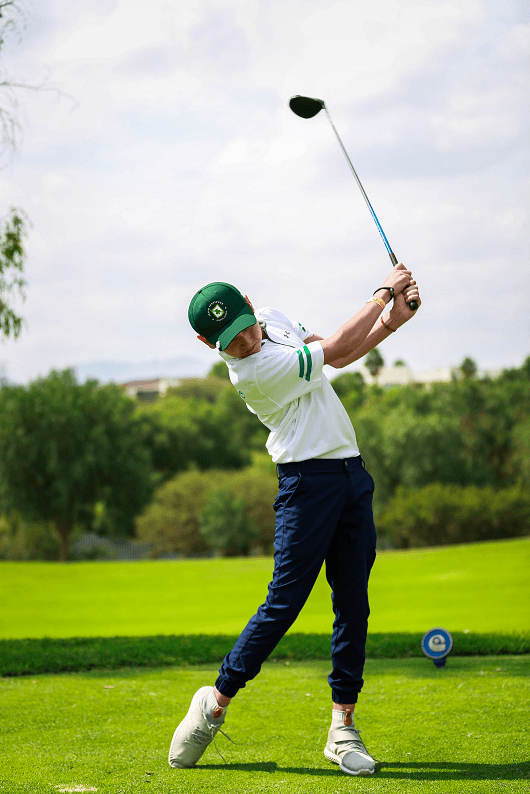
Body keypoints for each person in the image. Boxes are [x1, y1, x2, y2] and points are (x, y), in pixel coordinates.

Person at [168, 263, 421, 777]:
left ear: (249, 305)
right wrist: (382, 293)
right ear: (207, 343)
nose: (245, 342)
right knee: (283, 604)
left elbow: (339, 354)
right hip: (305, 486)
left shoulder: (273, 319)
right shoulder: (253, 372)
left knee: (353, 602)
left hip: (350, 475)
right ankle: (215, 701)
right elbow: (335, 348)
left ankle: (342, 727)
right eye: (229, 341)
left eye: (246, 328)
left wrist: (391, 321)